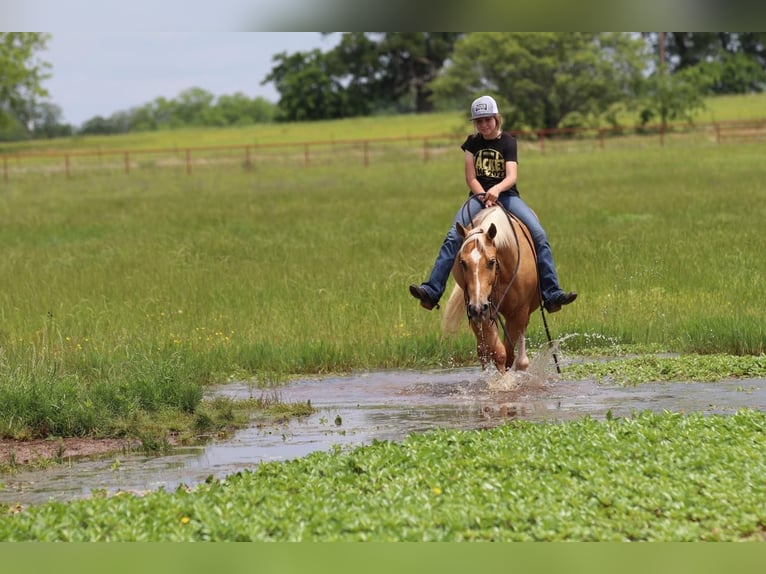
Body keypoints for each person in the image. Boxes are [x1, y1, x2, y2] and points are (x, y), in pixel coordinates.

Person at [409, 95, 577, 313]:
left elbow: (511, 176)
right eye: (479, 121)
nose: (483, 125)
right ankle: (432, 290)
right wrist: (482, 195)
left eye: (487, 119)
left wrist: (496, 190)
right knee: (453, 236)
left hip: (507, 196)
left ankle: (551, 293)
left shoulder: (508, 142)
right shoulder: (472, 143)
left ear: (496, 119)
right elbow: (471, 177)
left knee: (539, 235)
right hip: (478, 198)